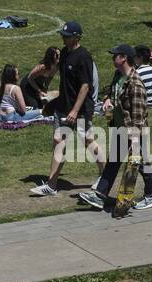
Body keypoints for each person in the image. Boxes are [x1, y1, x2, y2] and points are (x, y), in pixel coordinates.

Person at [79, 44, 152, 212]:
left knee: (141, 164)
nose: (112, 58)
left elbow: (138, 114)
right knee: (113, 162)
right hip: (121, 128)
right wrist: (107, 99)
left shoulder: (135, 84)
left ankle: (150, 196)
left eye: (115, 55)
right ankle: (100, 195)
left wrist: (134, 139)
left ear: (124, 58)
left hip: (134, 131)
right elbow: (111, 90)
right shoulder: (119, 75)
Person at [30, 21, 103, 197]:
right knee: (59, 142)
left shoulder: (83, 56)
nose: (63, 38)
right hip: (63, 106)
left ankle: (105, 176)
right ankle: (52, 185)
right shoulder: (64, 53)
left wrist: (75, 111)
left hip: (80, 109)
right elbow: (61, 78)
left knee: (88, 140)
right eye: (63, 35)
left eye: (67, 36)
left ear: (76, 37)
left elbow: (85, 86)